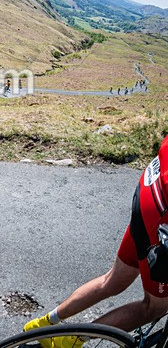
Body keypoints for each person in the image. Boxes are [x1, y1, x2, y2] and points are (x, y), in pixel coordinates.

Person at [23, 134, 168, 348]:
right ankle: (72, 340)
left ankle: (44, 325)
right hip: (159, 217)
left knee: (113, 280)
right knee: (153, 307)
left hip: (149, 191)